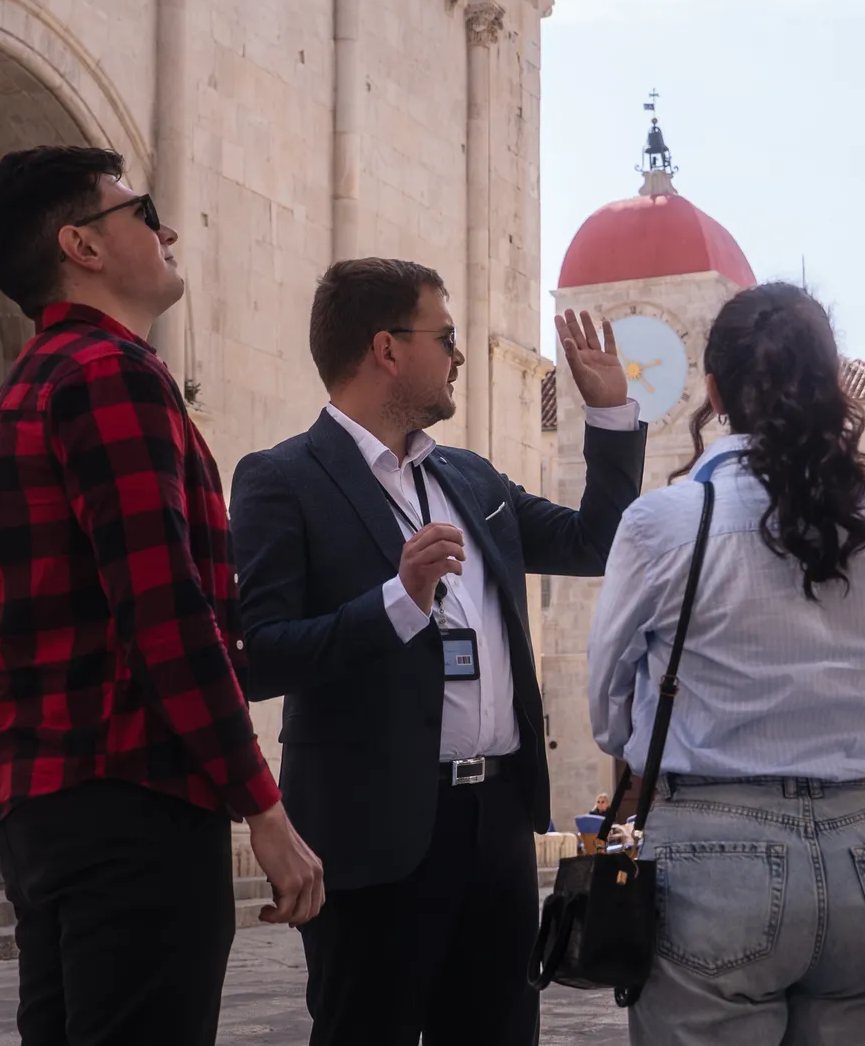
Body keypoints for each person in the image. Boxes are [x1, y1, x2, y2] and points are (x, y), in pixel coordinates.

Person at [229, 258, 646, 1046]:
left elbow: (599, 542)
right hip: (371, 827)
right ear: (386, 348)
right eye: (445, 335)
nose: (458, 355)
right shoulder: (282, 479)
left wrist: (612, 413)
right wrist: (398, 600)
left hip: (496, 823)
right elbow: (262, 656)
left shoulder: (471, 477)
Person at [0, 147, 322, 1046]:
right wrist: (262, 805)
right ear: (81, 244)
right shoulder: (110, 375)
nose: (163, 229)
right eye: (141, 211)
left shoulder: (16, 399)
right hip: (135, 803)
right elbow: (165, 610)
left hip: (44, 807)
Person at [589, 282, 865, 1044]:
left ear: (712, 390)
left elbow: (607, 707)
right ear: (833, 385)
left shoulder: (668, 521)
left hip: (712, 848)